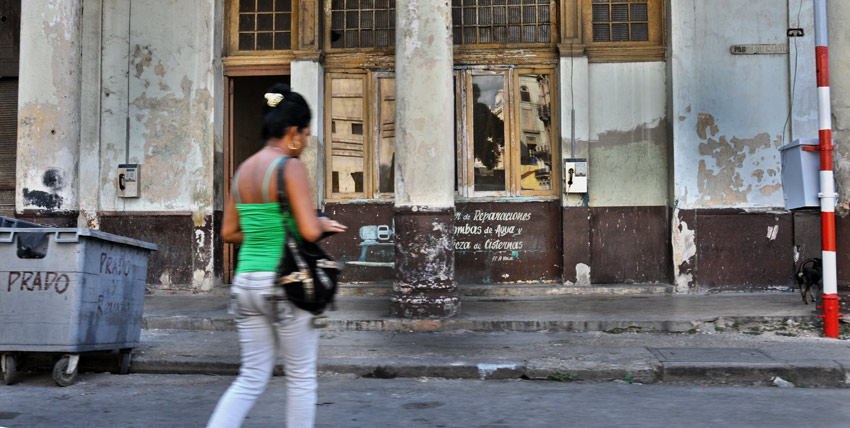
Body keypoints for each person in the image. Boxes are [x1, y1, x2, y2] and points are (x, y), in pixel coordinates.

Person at [207, 84, 347, 428]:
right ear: (292, 132)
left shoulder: (243, 171)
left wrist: (266, 233)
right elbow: (309, 231)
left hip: (246, 283)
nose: (306, 140)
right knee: (300, 378)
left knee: (251, 376)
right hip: (285, 283)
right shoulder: (289, 167)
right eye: (306, 133)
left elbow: (229, 233)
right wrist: (323, 223)